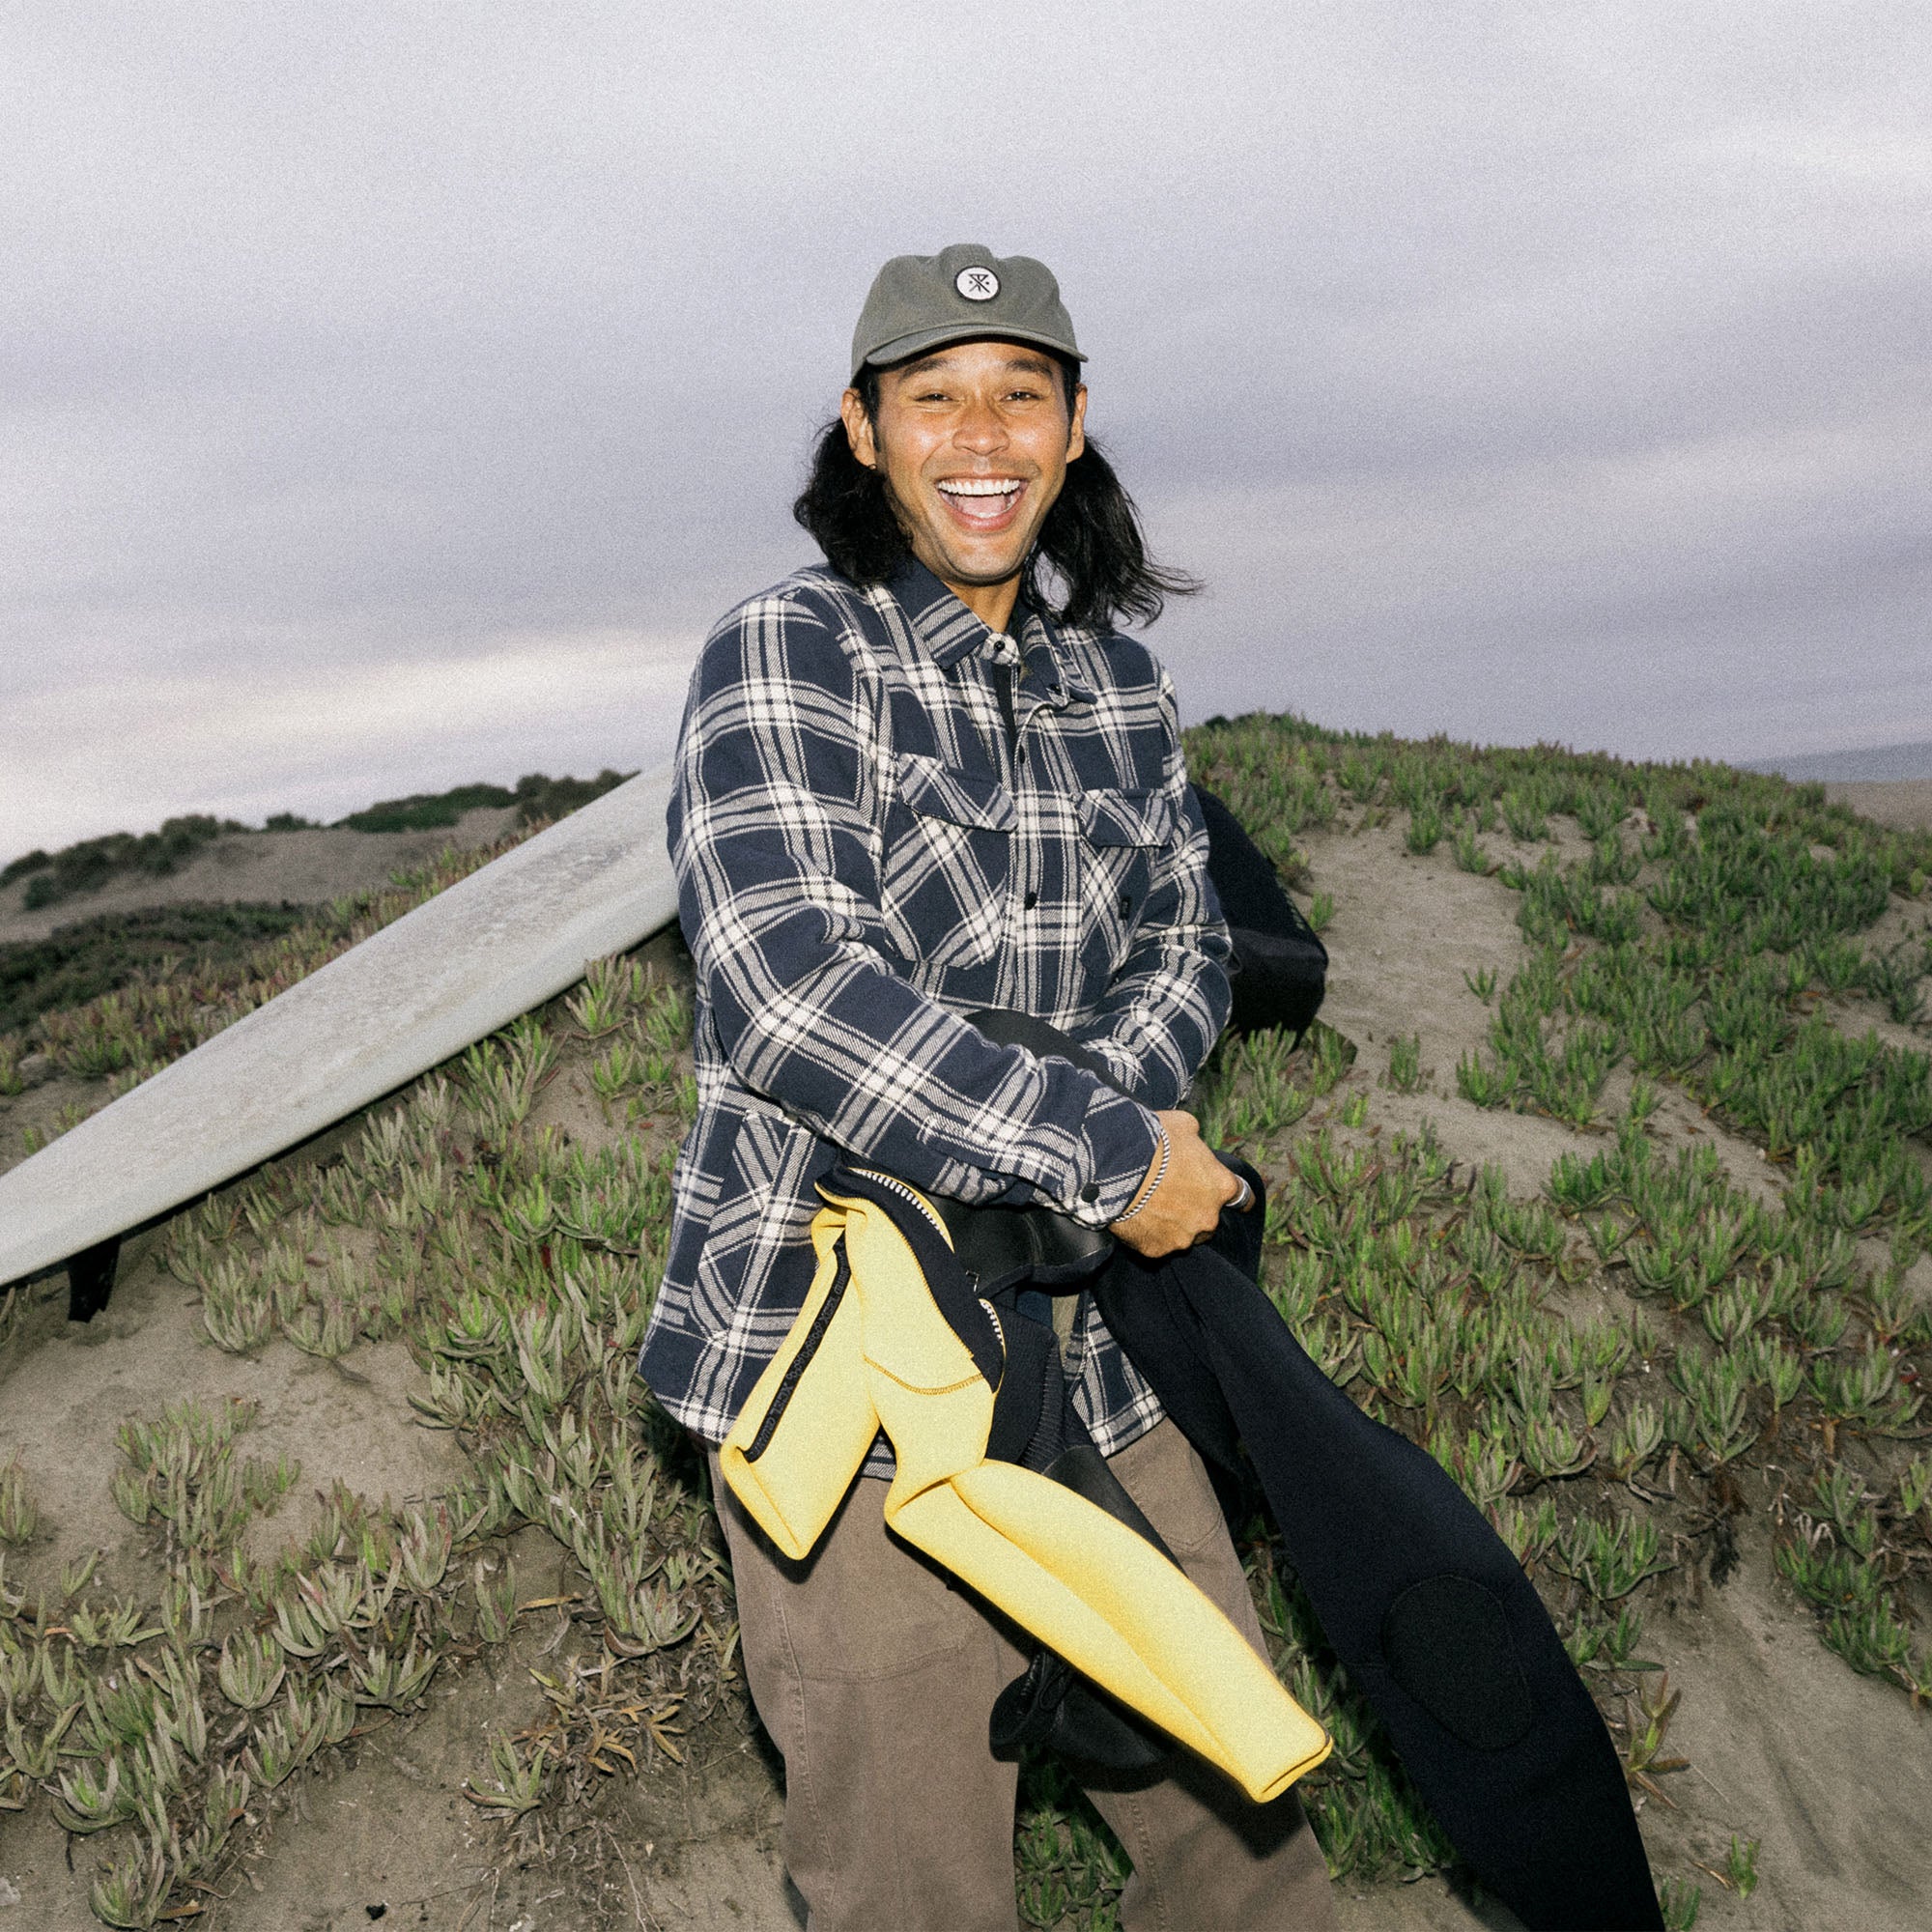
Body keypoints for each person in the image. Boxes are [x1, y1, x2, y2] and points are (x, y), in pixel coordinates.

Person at [638, 243, 1336, 1931]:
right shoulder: (789, 652)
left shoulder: (1122, 687)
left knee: (1246, 1829)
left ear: (1077, 425)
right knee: (914, 1881)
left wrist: (1096, 1154)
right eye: (934, 395)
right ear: (863, 431)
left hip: (1098, 1354)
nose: (982, 433)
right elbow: (795, 993)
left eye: (1022, 392)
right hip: (854, 1377)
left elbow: (1189, 945)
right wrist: (1103, 1151)